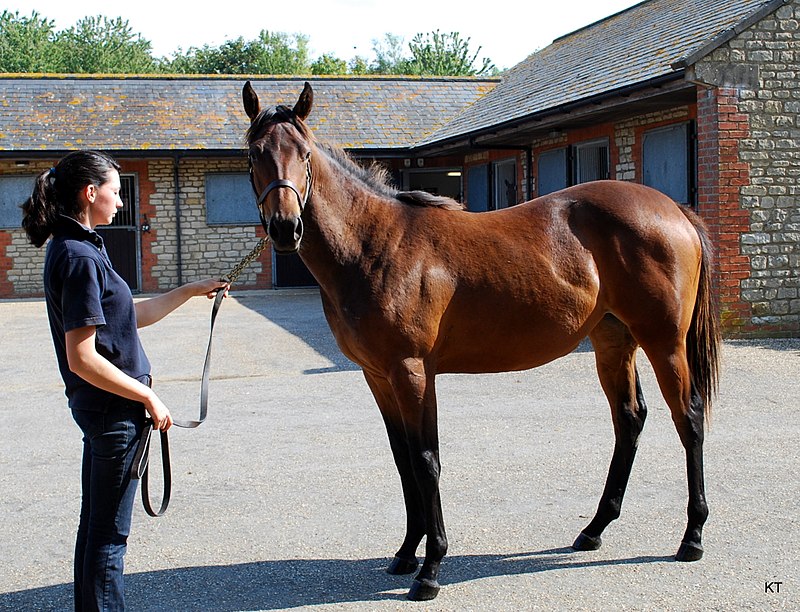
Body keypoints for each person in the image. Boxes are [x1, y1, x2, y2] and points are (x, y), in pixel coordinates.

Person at [21, 150, 228, 611]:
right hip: (114, 414)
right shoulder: (78, 257)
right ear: (90, 193)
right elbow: (81, 357)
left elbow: (127, 316)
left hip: (107, 411)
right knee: (109, 541)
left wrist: (191, 290)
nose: (120, 201)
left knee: (95, 531)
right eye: (115, 191)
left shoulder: (82, 246)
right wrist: (148, 396)